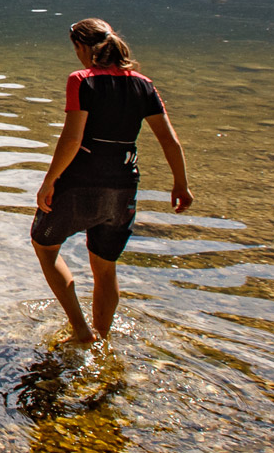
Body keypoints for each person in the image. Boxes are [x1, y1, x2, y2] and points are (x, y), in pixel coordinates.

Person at [32, 18, 192, 345]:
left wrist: (49, 181)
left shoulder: (82, 81)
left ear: (83, 48)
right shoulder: (144, 85)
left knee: (44, 246)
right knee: (105, 268)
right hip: (124, 186)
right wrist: (180, 184)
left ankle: (81, 331)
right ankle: (101, 339)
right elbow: (170, 140)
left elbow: (72, 139)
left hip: (81, 182)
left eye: (76, 48)